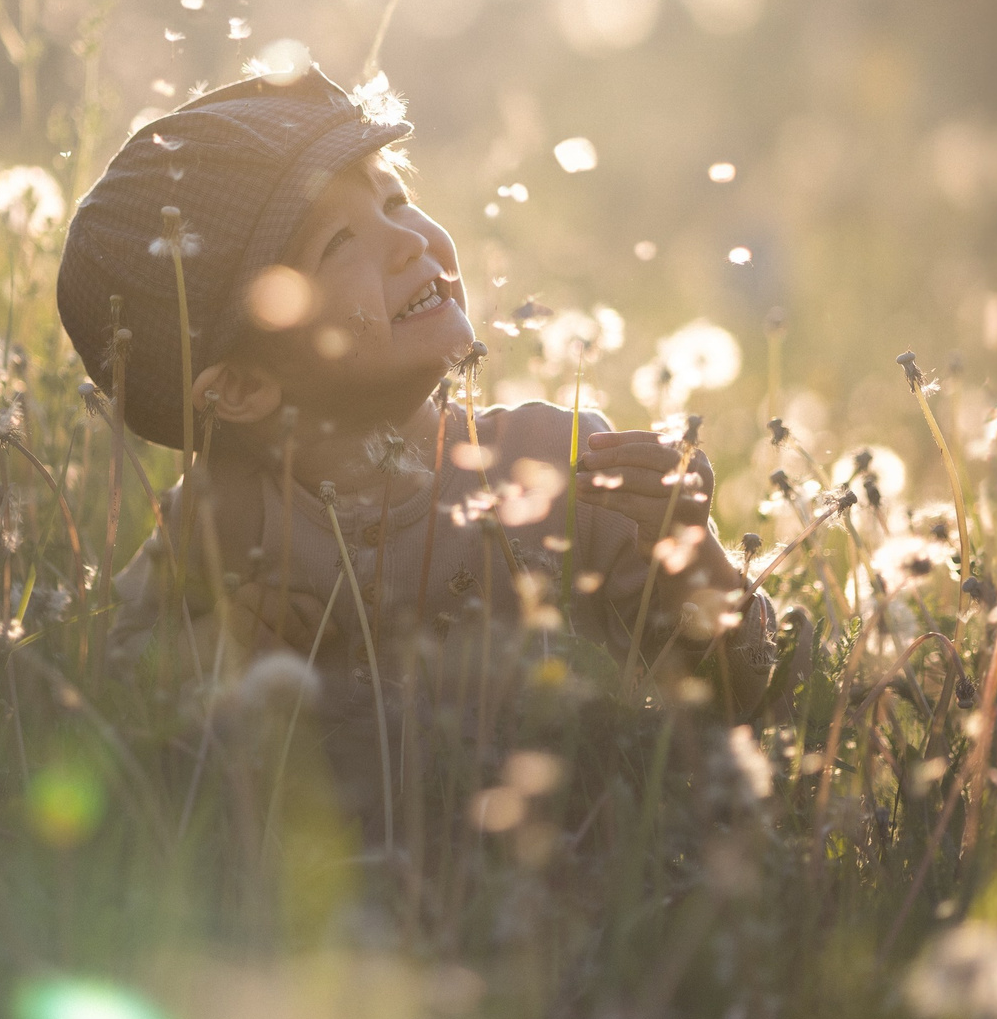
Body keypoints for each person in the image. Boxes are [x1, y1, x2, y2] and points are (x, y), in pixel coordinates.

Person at [54, 62, 779, 740]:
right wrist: (217, 650)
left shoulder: (566, 471)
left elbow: (737, 697)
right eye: (338, 242)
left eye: (395, 198)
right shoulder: (229, 518)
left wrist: (689, 552)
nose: (407, 241)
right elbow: (124, 680)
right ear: (240, 387)